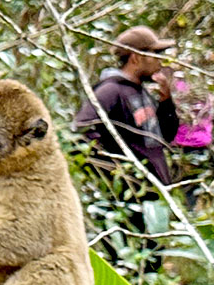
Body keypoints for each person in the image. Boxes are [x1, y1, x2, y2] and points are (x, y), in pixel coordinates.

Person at [71, 25, 186, 185]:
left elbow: (165, 137)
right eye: (155, 54)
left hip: (155, 190)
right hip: (134, 194)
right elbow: (81, 131)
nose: (159, 61)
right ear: (136, 58)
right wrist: (119, 173)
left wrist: (165, 101)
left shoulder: (140, 91)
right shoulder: (110, 90)